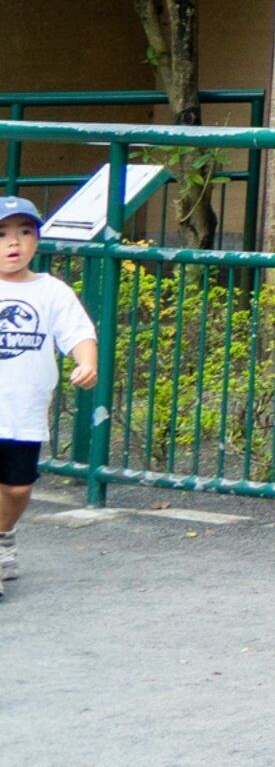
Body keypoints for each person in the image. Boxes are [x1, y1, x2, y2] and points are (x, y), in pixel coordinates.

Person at [0, 196, 100, 596]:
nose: (14, 242)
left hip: (24, 412)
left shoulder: (52, 292)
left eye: (25, 232)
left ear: (37, 241)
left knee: (18, 489)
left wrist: (86, 362)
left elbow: (80, 334)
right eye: (3, 233)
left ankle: (4, 533)